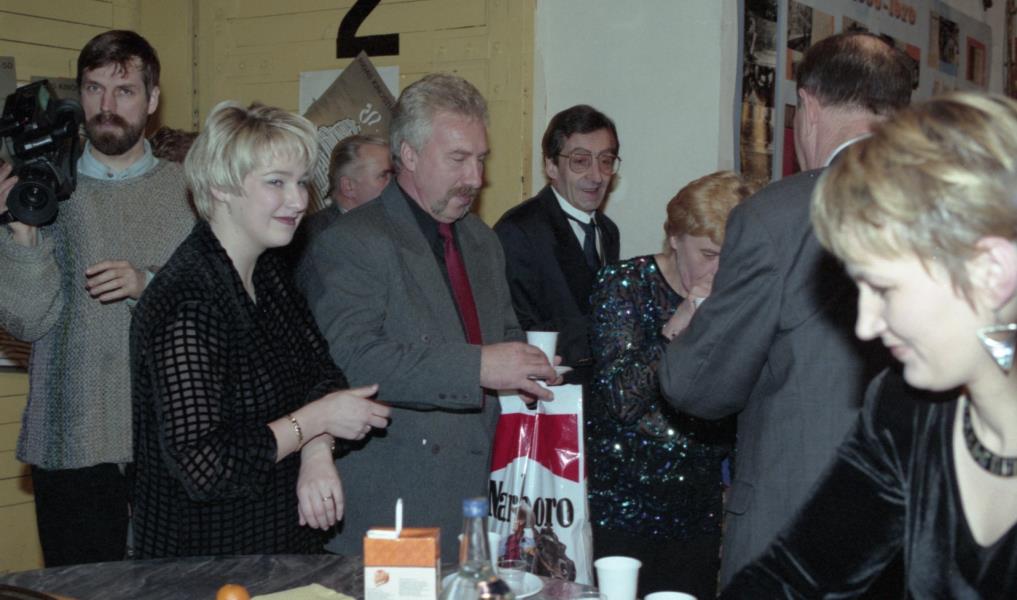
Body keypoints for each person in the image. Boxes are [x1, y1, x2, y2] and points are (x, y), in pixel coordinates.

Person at [722, 92, 1017, 598]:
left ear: (991, 271)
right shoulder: (906, 409)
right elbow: (795, 577)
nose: (865, 326)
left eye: (883, 288)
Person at [658, 31, 912, 585]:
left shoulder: (778, 215)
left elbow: (701, 386)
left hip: (795, 530)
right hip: (917, 533)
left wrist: (692, 323)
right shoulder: (956, 206)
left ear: (810, 108)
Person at [300, 73, 559, 562]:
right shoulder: (352, 242)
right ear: (409, 155)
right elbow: (353, 359)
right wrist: (480, 366)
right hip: (395, 508)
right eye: (458, 159)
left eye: (480, 159)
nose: (475, 178)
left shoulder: (481, 241)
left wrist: (526, 364)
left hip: (478, 502)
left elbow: (500, 331)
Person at [129, 101, 391, 558]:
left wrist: (316, 451)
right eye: (276, 182)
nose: (298, 200)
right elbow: (205, 466)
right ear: (220, 187)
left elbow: (322, 377)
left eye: (302, 181)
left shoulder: (268, 274)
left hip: (279, 549)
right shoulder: (186, 302)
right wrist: (315, 422)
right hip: (200, 565)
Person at [0, 30, 194, 566]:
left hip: (172, 443)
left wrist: (149, 284)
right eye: (94, 88)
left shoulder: (190, 192)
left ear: (152, 100)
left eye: (124, 91)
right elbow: (28, 321)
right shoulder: (39, 189)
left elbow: (219, 311)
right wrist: (21, 231)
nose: (107, 106)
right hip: (70, 442)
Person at [587, 171, 751, 597]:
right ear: (675, 238)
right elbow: (621, 399)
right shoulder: (625, 284)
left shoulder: (739, 298)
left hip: (698, 505)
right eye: (708, 254)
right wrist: (677, 327)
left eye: (731, 256)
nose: (719, 270)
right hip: (622, 503)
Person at [495, 105, 621, 380]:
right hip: (549, 389)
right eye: (580, 161)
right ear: (551, 166)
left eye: (606, 161)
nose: (596, 176)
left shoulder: (608, 231)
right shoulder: (519, 230)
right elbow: (519, 327)